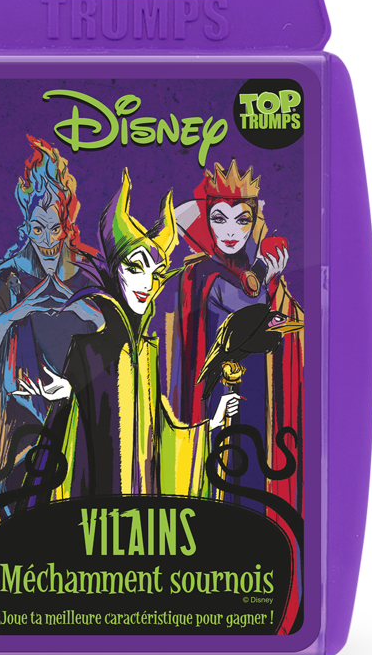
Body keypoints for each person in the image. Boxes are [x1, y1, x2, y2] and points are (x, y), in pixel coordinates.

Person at [13, 168, 234, 502]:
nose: (147, 284)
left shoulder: (147, 352)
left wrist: (212, 424)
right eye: (135, 267)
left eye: (155, 273)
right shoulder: (87, 348)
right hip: (96, 503)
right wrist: (71, 393)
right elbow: (71, 434)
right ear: (115, 271)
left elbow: (161, 432)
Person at [0, 136, 102, 629]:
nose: (47, 240)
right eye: (38, 228)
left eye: (56, 228)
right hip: (7, 442)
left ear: (68, 224)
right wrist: (17, 312)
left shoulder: (87, 278)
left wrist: (90, 314)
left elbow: (117, 344)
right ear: (26, 224)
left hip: (72, 436)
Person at [171, 159, 304, 521]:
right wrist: (263, 271)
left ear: (253, 221)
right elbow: (243, 306)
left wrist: (269, 278)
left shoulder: (251, 270)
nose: (231, 231)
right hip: (217, 391)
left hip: (258, 387)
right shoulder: (202, 273)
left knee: (253, 475)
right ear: (206, 221)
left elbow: (282, 320)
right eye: (219, 219)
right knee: (222, 478)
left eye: (241, 220)